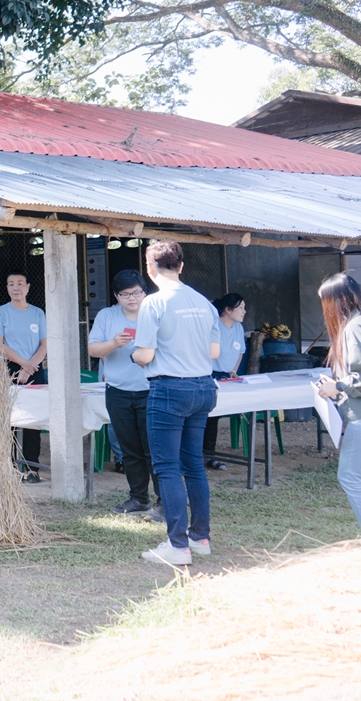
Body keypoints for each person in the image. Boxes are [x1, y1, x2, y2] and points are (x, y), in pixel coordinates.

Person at [132, 242, 221, 566]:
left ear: (150, 268)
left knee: (167, 468)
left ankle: (177, 545)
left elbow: (145, 355)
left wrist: (132, 354)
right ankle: (200, 538)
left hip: (169, 388)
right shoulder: (203, 303)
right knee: (193, 465)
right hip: (203, 387)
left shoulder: (153, 303)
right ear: (181, 266)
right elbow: (214, 353)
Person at [88, 270, 161, 519]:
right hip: (118, 391)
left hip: (151, 389)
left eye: (137, 293)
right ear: (116, 296)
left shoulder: (155, 313)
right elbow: (93, 349)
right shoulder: (107, 315)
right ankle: (139, 499)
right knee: (129, 450)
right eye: (125, 294)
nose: (132, 298)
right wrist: (113, 343)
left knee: (154, 449)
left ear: (144, 292)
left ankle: (164, 500)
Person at [0, 272, 48, 482]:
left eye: (20, 283)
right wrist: (23, 364)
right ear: (7, 288)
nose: (16, 288)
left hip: (34, 368)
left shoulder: (37, 313)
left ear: (28, 287)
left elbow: (45, 344)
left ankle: (32, 469)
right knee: (9, 419)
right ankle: (10, 466)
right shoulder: (0, 312)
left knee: (33, 420)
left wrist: (30, 366)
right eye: (11, 284)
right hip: (7, 368)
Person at [313, 273, 361, 526]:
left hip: (359, 419)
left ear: (338, 301)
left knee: (350, 477)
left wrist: (338, 385)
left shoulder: (353, 327)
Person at [205, 293, 247, 470]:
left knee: (214, 417)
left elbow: (240, 351)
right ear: (228, 310)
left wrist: (234, 371)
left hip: (227, 377)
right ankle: (201, 457)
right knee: (207, 417)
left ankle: (209, 456)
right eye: (241, 308)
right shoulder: (213, 326)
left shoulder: (238, 327)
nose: (244, 312)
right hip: (209, 375)